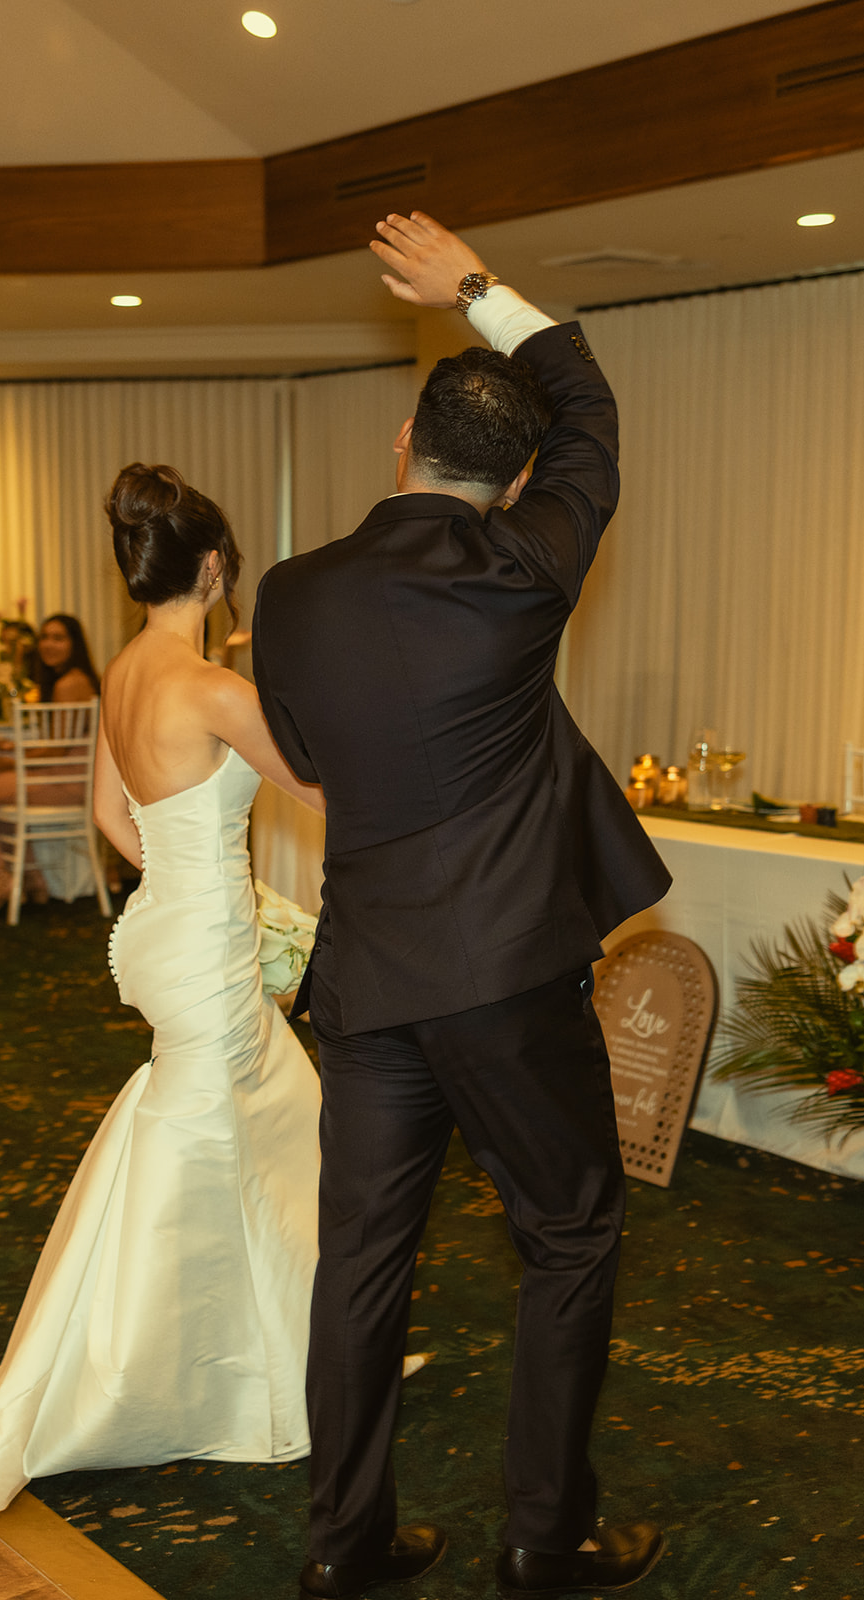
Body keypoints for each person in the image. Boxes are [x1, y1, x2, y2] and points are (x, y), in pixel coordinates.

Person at [251, 211, 672, 1600]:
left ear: (403, 448)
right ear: (517, 482)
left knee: (362, 1258)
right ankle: (545, 1539)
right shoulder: (524, 566)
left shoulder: (293, 593)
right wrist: (480, 291)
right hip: (501, 980)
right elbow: (592, 401)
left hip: (368, 982)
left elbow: (306, 760)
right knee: (570, 1231)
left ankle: (344, 1546)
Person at [0, 462, 326, 1512]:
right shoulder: (216, 688)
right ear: (215, 566)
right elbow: (318, 784)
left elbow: (109, 814)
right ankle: (139, 1378)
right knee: (242, 1127)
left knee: (270, 1113)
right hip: (201, 940)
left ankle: (264, 1350)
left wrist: (192, 885)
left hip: (159, 930)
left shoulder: (123, 673)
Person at [0, 612, 99, 919]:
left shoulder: (68, 683)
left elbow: (58, 751)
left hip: (65, 783)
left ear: (74, 644)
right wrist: (12, 748)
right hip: (68, 778)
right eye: (45, 637)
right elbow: (60, 744)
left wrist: (13, 761)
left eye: (58, 638)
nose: (48, 644)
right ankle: (33, 881)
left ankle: (0, 880)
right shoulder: (76, 679)